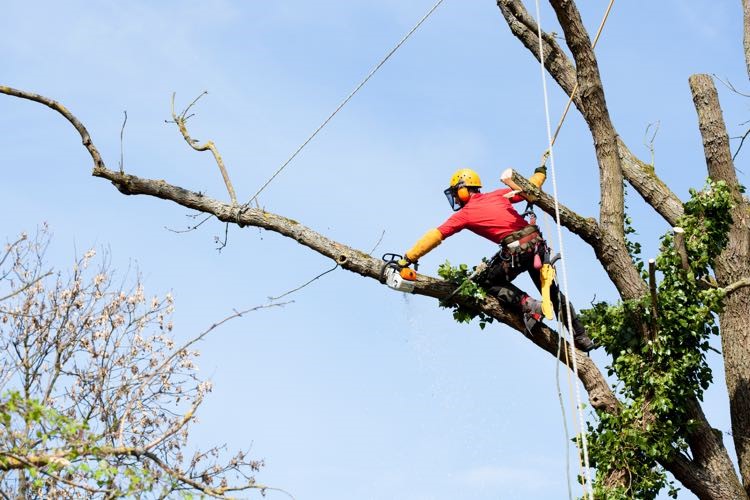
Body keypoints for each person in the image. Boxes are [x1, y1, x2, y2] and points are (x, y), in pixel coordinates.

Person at [401, 167, 596, 352]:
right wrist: (540, 173)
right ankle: (581, 336)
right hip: (536, 246)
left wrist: (408, 258)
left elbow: (436, 235)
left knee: (487, 281)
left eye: (456, 193)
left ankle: (529, 305)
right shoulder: (498, 195)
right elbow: (530, 186)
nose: (456, 199)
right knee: (552, 293)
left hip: (517, 251)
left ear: (463, 190)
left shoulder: (465, 214)